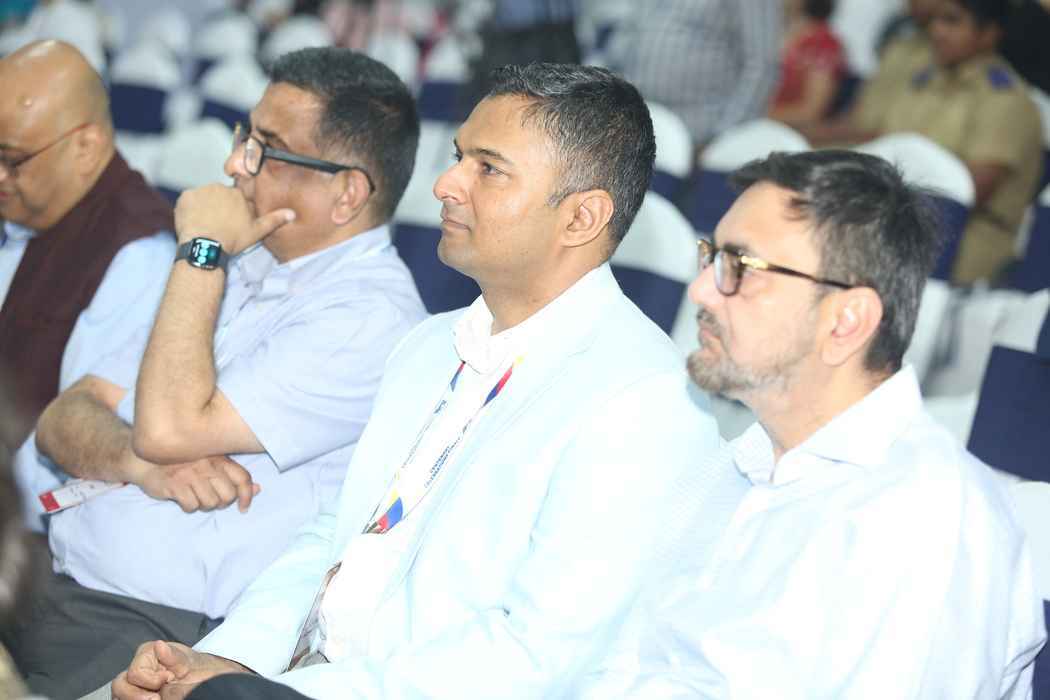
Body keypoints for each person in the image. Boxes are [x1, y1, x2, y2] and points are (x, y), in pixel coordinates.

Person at [107, 62, 741, 700]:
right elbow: (335, 540)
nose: (444, 183)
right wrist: (231, 661)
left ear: (581, 218)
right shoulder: (429, 346)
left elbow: (536, 658)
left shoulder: (643, 400)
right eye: (460, 156)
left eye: (488, 169)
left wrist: (279, 695)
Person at [7, 47, 427, 699]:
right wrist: (137, 463)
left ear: (347, 193)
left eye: (266, 150)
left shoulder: (371, 317)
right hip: (57, 582)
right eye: (244, 138)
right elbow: (64, 418)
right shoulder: (249, 259)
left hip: (157, 633)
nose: (235, 165)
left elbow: (168, 429)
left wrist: (200, 250)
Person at [626, 149, 1047, 697]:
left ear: (847, 320)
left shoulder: (924, 526)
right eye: (710, 257)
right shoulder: (737, 462)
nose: (700, 289)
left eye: (740, 267)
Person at [0, 40, 176, 522]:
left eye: (12, 160)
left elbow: (70, 450)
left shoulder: (138, 256)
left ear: (86, 146)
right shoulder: (31, 208)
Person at [807, 0, 1044, 285]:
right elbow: (877, 141)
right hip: (888, 221)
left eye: (952, 22)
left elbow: (966, 191)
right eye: (934, 21)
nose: (937, 31)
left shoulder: (1007, 101)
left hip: (959, 242)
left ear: (988, 34)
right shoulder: (924, 81)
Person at [606, 0, 782, 152]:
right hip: (638, 127)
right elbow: (630, 36)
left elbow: (762, 65)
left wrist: (723, 138)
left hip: (702, 137)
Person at [768, 0, 847, 128]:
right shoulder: (770, 34)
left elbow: (810, 112)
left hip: (786, 132)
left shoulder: (823, 44)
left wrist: (756, 113)